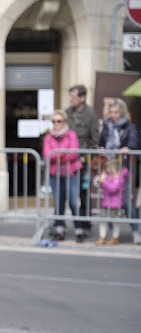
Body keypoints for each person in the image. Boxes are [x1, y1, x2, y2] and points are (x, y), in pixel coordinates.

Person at [99, 97, 140, 244]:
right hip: (108, 166)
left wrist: (128, 147)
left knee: (126, 201)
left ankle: (135, 231)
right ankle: (112, 234)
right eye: (111, 111)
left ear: (122, 112)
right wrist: (102, 147)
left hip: (121, 168)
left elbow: (134, 141)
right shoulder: (106, 125)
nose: (113, 114)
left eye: (116, 112)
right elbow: (101, 141)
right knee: (108, 201)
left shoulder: (129, 127)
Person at [42, 109, 83, 242]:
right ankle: (60, 229)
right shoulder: (48, 137)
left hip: (71, 173)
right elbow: (47, 155)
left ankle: (79, 229)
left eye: (58, 121)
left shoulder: (71, 135)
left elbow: (74, 153)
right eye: (53, 121)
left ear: (64, 122)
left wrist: (58, 155)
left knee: (73, 202)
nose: (55, 124)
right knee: (58, 202)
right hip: (55, 174)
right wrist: (62, 154)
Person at [65, 84, 100, 236]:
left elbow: (94, 139)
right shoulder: (67, 113)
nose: (70, 99)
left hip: (82, 162)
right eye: (70, 96)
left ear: (82, 97)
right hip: (66, 160)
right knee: (64, 192)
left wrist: (87, 157)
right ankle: (60, 223)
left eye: (73, 96)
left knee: (82, 193)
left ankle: (85, 224)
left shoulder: (91, 114)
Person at [96, 158, 128, 245]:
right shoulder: (108, 176)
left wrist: (104, 182)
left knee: (115, 222)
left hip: (116, 203)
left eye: (108, 166)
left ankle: (115, 238)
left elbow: (113, 189)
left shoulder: (119, 177)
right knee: (103, 220)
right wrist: (101, 181)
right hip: (106, 202)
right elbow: (104, 188)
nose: (106, 168)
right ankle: (102, 237)